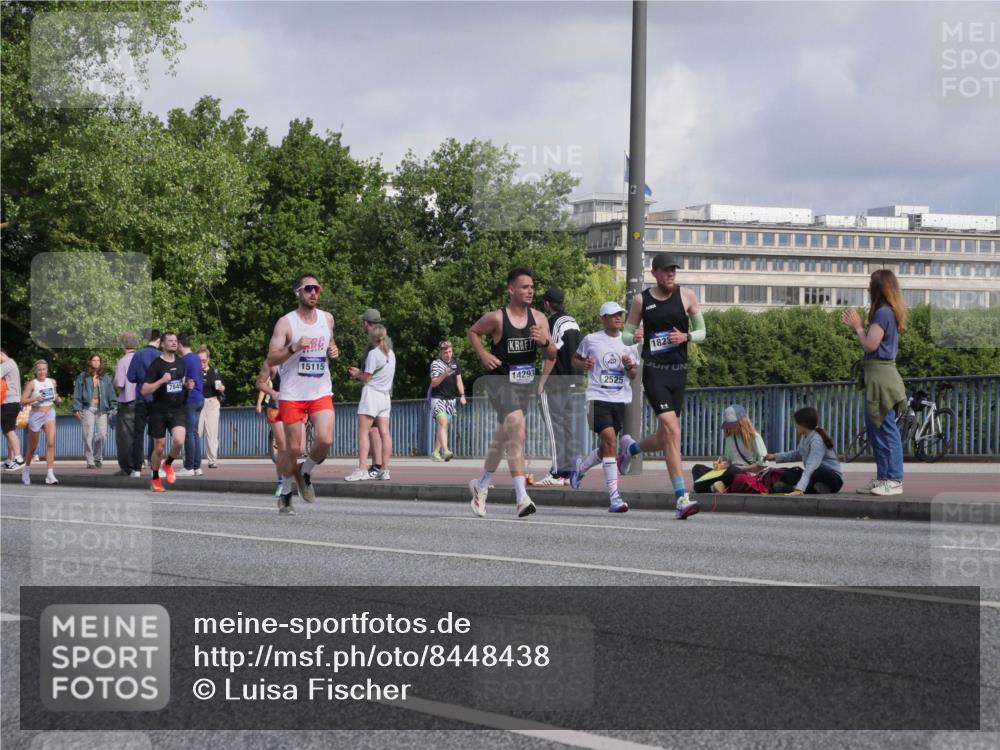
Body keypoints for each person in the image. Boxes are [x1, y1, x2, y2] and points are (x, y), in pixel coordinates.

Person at [618, 253, 706, 520]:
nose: (671, 274)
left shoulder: (687, 296)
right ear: (654, 273)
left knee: (664, 436)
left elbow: (702, 333)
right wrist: (634, 335)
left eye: (674, 271)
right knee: (673, 430)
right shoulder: (642, 300)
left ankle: (631, 448)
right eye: (666, 271)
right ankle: (681, 498)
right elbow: (625, 335)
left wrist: (686, 336)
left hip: (678, 373)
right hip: (655, 372)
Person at [467, 267, 555, 519]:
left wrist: (544, 343)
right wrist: (484, 354)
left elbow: (553, 355)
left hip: (525, 385)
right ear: (511, 289)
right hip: (499, 382)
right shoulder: (496, 318)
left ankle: (481, 486)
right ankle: (521, 497)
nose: (530, 291)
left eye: (532, 287)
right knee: (517, 424)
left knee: (502, 438)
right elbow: (473, 332)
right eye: (525, 287)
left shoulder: (539, 319)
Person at [266, 273, 339, 516]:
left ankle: (305, 472)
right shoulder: (286, 323)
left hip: (320, 390)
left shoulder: (327, 319)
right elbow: (272, 358)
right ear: (297, 292)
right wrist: (294, 347)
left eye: (317, 289)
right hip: (292, 394)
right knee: (293, 449)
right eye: (308, 289)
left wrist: (333, 350)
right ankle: (286, 493)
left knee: (325, 440)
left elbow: (329, 344)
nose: (313, 293)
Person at [567, 301, 639, 513]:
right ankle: (614, 497)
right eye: (612, 315)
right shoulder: (591, 339)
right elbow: (575, 359)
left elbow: (633, 374)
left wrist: (629, 367)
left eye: (620, 314)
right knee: (610, 440)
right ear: (602, 318)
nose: (618, 318)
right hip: (598, 397)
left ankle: (581, 468)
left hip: (619, 399)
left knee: (607, 447)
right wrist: (583, 364)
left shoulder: (629, 342)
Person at [841, 270, 908, 497]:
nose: (868, 288)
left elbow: (870, 345)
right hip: (878, 376)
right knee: (876, 428)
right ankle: (884, 478)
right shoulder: (888, 312)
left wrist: (858, 327)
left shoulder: (882, 313)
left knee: (885, 429)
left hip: (880, 377)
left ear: (878, 288)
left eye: (870, 284)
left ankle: (894, 480)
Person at [536, 287, 583, 487]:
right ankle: (569, 473)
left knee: (555, 429)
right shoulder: (573, 322)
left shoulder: (553, 323)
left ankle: (556, 473)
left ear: (547, 304)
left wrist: (541, 383)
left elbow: (551, 355)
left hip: (555, 383)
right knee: (566, 428)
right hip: (572, 382)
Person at [346, 323, 395, 481]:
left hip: (372, 394)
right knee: (385, 433)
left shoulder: (374, 354)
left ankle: (362, 468)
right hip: (385, 396)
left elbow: (366, 377)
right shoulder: (391, 354)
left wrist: (356, 373)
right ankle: (385, 469)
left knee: (363, 432)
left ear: (372, 338)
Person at [141, 332, 186, 493]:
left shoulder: (181, 363)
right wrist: (161, 381)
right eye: (170, 341)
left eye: (175, 341)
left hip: (177, 410)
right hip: (159, 411)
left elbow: (180, 383)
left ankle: (168, 464)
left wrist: (188, 385)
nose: (174, 343)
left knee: (179, 441)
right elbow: (145, 390)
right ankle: (155, 477)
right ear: (163, 344)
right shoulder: (156, 365)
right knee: (159, 447)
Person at [765, 406, 843, 495]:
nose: (795, 426)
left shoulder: (817, 440)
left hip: (833, 479)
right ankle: (818, 488)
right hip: (815, 477)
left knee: (816, 471)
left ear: (803, 424)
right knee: (791, 473)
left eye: (796, 423)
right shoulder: (805, 436)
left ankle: (791, 488)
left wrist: (799, 489)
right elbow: (798, 454)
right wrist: (775, 456)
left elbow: (811, 466)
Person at [691, 405, 767, 492]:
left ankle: (712, 487)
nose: (729, 428)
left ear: (742, 422)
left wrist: (739, 468)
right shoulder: (730, 438)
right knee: (697, 468)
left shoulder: (755, 437)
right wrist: (721, 464)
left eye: (732, 425)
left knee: (732, 471)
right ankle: (719, 486)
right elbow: (729, 461)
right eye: (728, 425)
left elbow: (761, 466)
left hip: (746, 474)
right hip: (729, 472)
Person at [71, 353, 118, 469]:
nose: (96, 362)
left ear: (100, 363)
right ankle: (90, 460)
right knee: (88, 435)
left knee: (102, 435)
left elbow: (111, 393)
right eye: (94, 360)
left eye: (98, 360)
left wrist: (114, 406)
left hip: (102, 409)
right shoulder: (83, 376)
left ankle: (98, 457)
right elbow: (77, 392)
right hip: (88, 409)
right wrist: (76, 408)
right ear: (90, 362)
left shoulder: (105, 378)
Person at [127, 329, 162, 474]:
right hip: (157, 399)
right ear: (159, 340)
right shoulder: (161, 356)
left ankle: (136, 469)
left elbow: (130, 377)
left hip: (141, 398)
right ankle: (156, 468)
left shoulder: (138, 355)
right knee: (157, 435)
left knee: (138, 434)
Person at [20, 359, 61, 485]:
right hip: (36, 414)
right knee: (32, 447)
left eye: (44, 369)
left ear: (47, 370)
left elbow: (57, 398)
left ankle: (50, 474)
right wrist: (35, 398)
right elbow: (22, 400)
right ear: (35, 371)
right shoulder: (32, 383)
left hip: (49, 413)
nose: (41, 372)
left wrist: (57, 398)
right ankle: (26, 470)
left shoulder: (51, 382)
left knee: (50, 443)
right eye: (39, 370)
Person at [357, 309, 384, 478]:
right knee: (379, 429)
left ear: (366, 323)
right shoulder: (384, 340)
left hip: (374, 391)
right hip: (383, 391)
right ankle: (379, 466)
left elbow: (369, 374)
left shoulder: (373, 345)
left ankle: (365, 467)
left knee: (367, 429)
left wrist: (357, 374)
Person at [429, 340, 466, 461]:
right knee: (443, 423)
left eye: (450, 351)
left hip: (451, 400)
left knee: (443, 427)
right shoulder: (436, 364)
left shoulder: (456, 363)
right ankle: (446, 451)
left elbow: (459, 380)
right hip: (438, 398)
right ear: (441, 352)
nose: (448, 354)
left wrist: (462, 395)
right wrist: (445, 374)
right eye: (445, 352)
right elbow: (434, 383)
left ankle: (435, 452)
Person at [255, 359, 286, 497]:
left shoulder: (299, 360)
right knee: (283, 446)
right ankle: (281, 482)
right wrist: (271, 394)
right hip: (276, 407)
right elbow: (261, 383)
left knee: (298, 448)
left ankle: (299, 473)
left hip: (296, 406)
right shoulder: (273, 364)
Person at [113, 333, 140, 476]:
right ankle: (138, 466)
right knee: (138, 435)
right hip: (142, 401)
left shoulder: (123, 361)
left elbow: (120, 383)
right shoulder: (141, 358)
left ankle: (127, 467)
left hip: (127, 401)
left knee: (125, 437)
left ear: (123, 345)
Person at [177, 334, 204, 477]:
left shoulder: (184, 360)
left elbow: (182, 380)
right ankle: (197, 466)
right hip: (200, 397)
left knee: (189, 433)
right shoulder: (196, 358)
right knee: (194, 433)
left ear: (180, 344)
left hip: (190, 399)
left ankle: (188, 467)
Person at [198, 345, 225, 468]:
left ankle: (212, 460)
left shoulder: (215, 371)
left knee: (212, 434)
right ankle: (192, 459)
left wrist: (222, 388)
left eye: (204, 360)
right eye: (199, 360)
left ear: (208, 359)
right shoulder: (195, 371)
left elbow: (220, 386)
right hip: (198, 403)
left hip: (212, 402)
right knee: (195, 433)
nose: (202, 363)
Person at [1, 348, 24, 471]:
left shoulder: (7, 364)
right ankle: (10, 460)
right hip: (8, 402)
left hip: (10, 402)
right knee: (7, 432)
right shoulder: (10, 364)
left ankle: (18, 459)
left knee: (9, 431)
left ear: (1, 354)